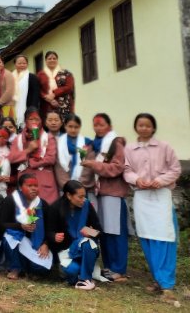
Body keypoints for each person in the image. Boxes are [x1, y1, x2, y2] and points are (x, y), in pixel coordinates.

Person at [123, 113, 181, 302]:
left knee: (164, 237)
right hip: (142, 198)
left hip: (161, 196)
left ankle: (167, 285)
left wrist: (160, 180)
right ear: (135, 127)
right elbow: (127, 170)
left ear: (153, 128)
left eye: (148, 125)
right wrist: (136, 179)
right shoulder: (130, 149)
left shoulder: (164, 147)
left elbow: (175, 169)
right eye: (141, 125)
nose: (144, 128)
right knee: (147, 237)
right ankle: (158, 279)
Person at [81, 113, 129, 282]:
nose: (98, 128)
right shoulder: (94, 144)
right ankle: (109, 266)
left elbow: (117, 167)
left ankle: (119, 268)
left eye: (101, 125)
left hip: (113, 192)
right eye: (95, 125)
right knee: (104, 231)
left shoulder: (116, 143)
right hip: (98, 192)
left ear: (109, 126)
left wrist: (94, 164)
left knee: (115, 231)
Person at [48, 180, 102, 291]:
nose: (83, 200)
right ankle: (81, 276)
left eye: (84, 196)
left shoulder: (87, 205)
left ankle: (84, 280)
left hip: (85, 250)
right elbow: (48, 232)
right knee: (72, 270)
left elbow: (99, 230)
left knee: (86, 243)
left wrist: (90, 232)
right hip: (66, 252)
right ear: (69, 195)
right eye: (80, 197)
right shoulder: (55, 208)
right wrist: (54, 236)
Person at [1, 173, 52, 280]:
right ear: (20, 187)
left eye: (36, 186)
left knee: (42, 268)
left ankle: (30, 270)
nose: (34, 188)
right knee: (9, 237)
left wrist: (45, 243)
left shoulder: (42, 204)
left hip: (36, 243)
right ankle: (15, 268)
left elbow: (50, 227)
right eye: (29, 186)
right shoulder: (11, 200)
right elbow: (2, 224)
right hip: (18, 239)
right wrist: (21, 226)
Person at [8, 108, 59, 204]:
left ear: (41, 121)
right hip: (25, 182)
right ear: (25, 121)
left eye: (37, 119)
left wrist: (33, 162)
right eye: (31, 119)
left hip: (44, 183)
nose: (34, 122)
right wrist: (28, 150)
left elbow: (51, 159)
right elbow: (11, 158)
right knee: (26, 210)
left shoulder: (48, 137)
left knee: (44, 210)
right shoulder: (18, 138)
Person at [55, 114, 93, 191]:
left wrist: (79, 186)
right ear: (65, 126)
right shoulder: (58, 143)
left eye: (76, 127)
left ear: (80, 127)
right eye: (70, 126)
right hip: (64, 187)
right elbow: (59, 167)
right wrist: (69, 187)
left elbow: (88, 168)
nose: (73, 130)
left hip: (82, 188)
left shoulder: (87, 143)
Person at [37, 51, 75, 121]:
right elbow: (38, 89)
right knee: (48, 124)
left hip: (64, 106)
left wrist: (54, 94)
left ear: (57, 60)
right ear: (45, 61)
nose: (52, 60)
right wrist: (47, 97)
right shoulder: (40, 74)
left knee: (65, 124)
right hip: (46, 105)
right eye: (49, 58)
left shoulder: (66, 73)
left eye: (54, 58)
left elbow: (69, 87)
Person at [12, 55, 40, 129]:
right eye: (19, 63)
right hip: (13, 106)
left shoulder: (32, 77)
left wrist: (33, 109)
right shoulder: (11, 77)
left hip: (28, 107)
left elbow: (36, 94)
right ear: (15, 64)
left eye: (24, 63)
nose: (22, 65)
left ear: (27, 64)